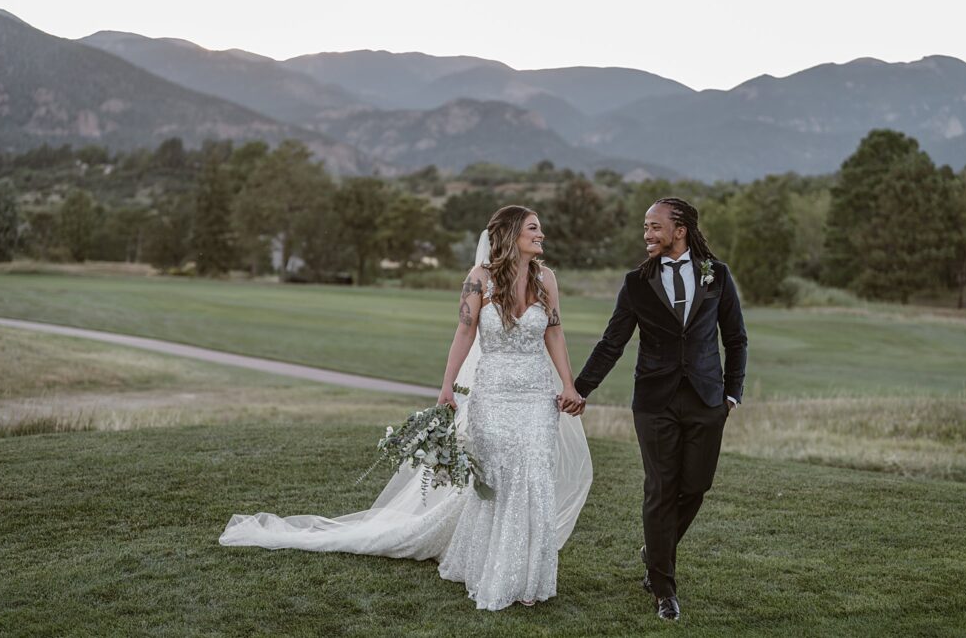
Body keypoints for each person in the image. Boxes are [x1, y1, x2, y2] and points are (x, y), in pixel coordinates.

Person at [219, 205, 592, 612]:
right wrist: (447, 388)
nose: (542, 235)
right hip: (495, 397)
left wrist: (568, 384)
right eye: (533, 229)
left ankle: (528, 576)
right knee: (499, 480)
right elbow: (464, 333)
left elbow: (554, 332)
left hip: (537, 396)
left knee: (534, 475)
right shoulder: (478, 280)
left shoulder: (546, 279)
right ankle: (493, 567)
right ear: (509, 234)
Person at [573, 197, 747, 621]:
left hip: (707, 400)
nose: (647, 234)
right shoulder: (636, 283)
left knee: (697, 485)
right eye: (645, 227)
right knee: (660, 487)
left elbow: (736, 339)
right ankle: (663, 586)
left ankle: (655, 551)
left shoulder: (717, 275)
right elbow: (611, 343)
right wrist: (580, 389)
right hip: (654, 402)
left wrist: (731, 394)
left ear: (680, 229)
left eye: (654, 227)